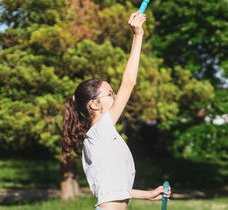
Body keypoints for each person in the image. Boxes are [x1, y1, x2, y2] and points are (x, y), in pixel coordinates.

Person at [61, 11, 171, 210]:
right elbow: (129, 83)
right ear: (94, 104)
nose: (115, 97)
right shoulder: (100, 131)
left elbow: (114, 188)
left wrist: (148, 194)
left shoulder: (101, 137)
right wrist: (138, 36)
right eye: (110, 93)